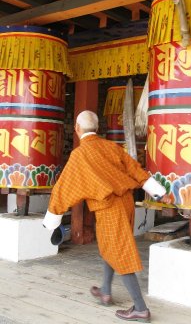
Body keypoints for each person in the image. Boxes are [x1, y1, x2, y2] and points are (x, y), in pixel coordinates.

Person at [43, 110, 171, 322]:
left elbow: (62, 189)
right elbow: (136, 170)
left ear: (76, 129)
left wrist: (52, 219)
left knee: (120, 252)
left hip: (109, 207)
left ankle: (140, 308)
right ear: (98, 129)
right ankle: (105, 290)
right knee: (109, 246)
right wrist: (160, 192)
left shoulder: (79, 155)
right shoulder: (112, 147)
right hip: (126, 203)